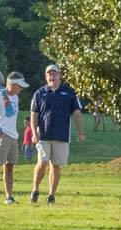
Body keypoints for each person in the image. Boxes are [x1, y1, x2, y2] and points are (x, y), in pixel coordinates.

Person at [29, 63, 85, 204]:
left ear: (59, 75)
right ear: (46, 76)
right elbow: (34, 115)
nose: (51, 76)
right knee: (42, 163)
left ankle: (51, 195)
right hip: (44, 135)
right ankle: (35, 190)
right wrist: (34, 132)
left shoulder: (69, 93)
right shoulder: (39, 93)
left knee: (56, 165)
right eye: (49, 74)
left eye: (54, 74)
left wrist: (81, 132)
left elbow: (77, 113)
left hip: (61, 135)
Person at [0, 71, 29, 204]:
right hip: (1, 134)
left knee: (9, 167)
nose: (21, 89)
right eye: (19, 86)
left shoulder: (15, 97)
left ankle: (9, 197)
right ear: (11, 84)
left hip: (13, 135)